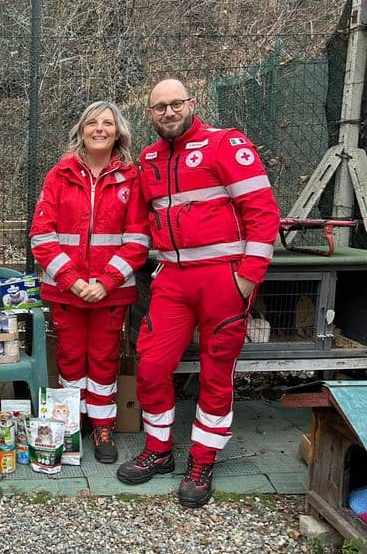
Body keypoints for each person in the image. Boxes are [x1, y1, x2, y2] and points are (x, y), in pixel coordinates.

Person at [116, 79, 280, 508]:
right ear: (149, 114)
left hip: (222, 279)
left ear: (192, 104)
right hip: (171, 278)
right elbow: (139, 219)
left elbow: (263, 213)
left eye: (175, 104)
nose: (168, 113)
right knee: (151, 365)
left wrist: (248, 276)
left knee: (215, 372)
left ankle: (202, 460)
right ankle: (159, 449)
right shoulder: (148, 159)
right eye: (158, 107)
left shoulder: (225, 144)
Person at [30, 101, 150, 463]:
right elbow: (41, 234)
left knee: (103, 358)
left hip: (109, 293)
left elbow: (138, 238)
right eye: (92, 123)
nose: (100, 129)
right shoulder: (60, 174)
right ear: (81, 131)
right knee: (69, 357)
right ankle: (72, 424)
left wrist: (106, 281)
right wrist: (72, 280)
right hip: (67, 290)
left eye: (108, 123)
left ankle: (102, 425)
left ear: (118, 132)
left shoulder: (132, 177)